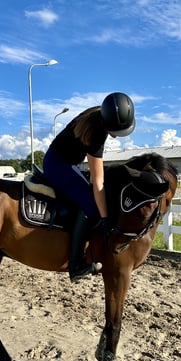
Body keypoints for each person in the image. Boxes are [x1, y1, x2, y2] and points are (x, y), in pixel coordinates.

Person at [43, 92, 136, 280]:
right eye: (115, 133)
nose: (116, 138)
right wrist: (104, 218)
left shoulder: (97, 113)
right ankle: (75, 265)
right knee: (90, 207)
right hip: (58, 166)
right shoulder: (96, 134)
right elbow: (98, 182)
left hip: (65, 161)